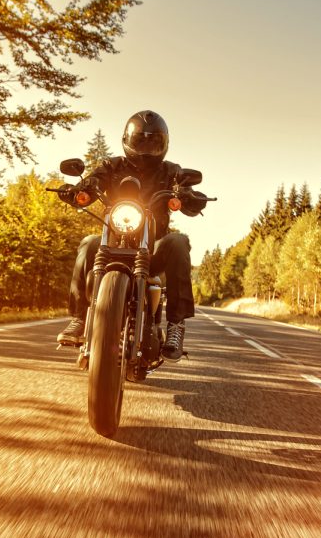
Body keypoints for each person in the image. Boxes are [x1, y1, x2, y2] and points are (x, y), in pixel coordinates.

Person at [56, 110, 208, 360]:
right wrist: (79, 190)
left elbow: (187, 193)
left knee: (179, 242)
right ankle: (80, 318)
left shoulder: (171, 172)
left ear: (163, 144)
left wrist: (190, 198)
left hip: (154, 249)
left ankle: (176, 325)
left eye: (153, 142)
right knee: (88, 243)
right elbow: (93, 182)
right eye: (140, 141)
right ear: (127, 140)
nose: (146, 148)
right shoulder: (111, 166)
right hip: (114, 241)